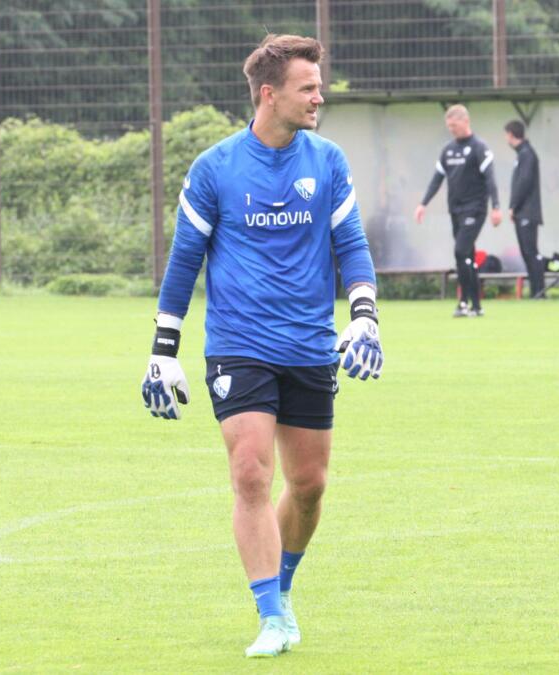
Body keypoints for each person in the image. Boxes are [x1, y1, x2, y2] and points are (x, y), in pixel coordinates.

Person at [140, 34, 383, 659]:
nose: (319, 96)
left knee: (309, 485)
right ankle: (271, 615)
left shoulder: (327, 161)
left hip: (307, 344)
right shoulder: (216, 167)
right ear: (269, 94)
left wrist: (363, 316)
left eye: (319, 85)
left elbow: (351, 245)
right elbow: (183, 262)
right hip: (238, 345)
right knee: (250, 472)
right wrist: (163, 349)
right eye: (308, 87)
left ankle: (283, 588)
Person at [414, 104, 501, 317]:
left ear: (465, 122)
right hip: (455, 209)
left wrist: (496, 207)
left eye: (454, 125)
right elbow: (437, 179)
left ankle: (463, 302)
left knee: (461, 251)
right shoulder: (448, 149)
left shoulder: (479, 147)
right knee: (466, 257)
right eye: (449, 127)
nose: (451, 130)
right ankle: (476, 306)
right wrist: (423, 203)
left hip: (475, 209)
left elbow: (491, 179)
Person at [504, 120, 545, 298]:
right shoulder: (522, 154)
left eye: (507, 135)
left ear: (512, 135)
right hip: (523, 212)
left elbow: (524, 183)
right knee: (526, 252)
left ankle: (539, 291)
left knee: (531, 251)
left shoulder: (527, 154)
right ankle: (535, 291)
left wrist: (513, 206)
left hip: (527, 212)